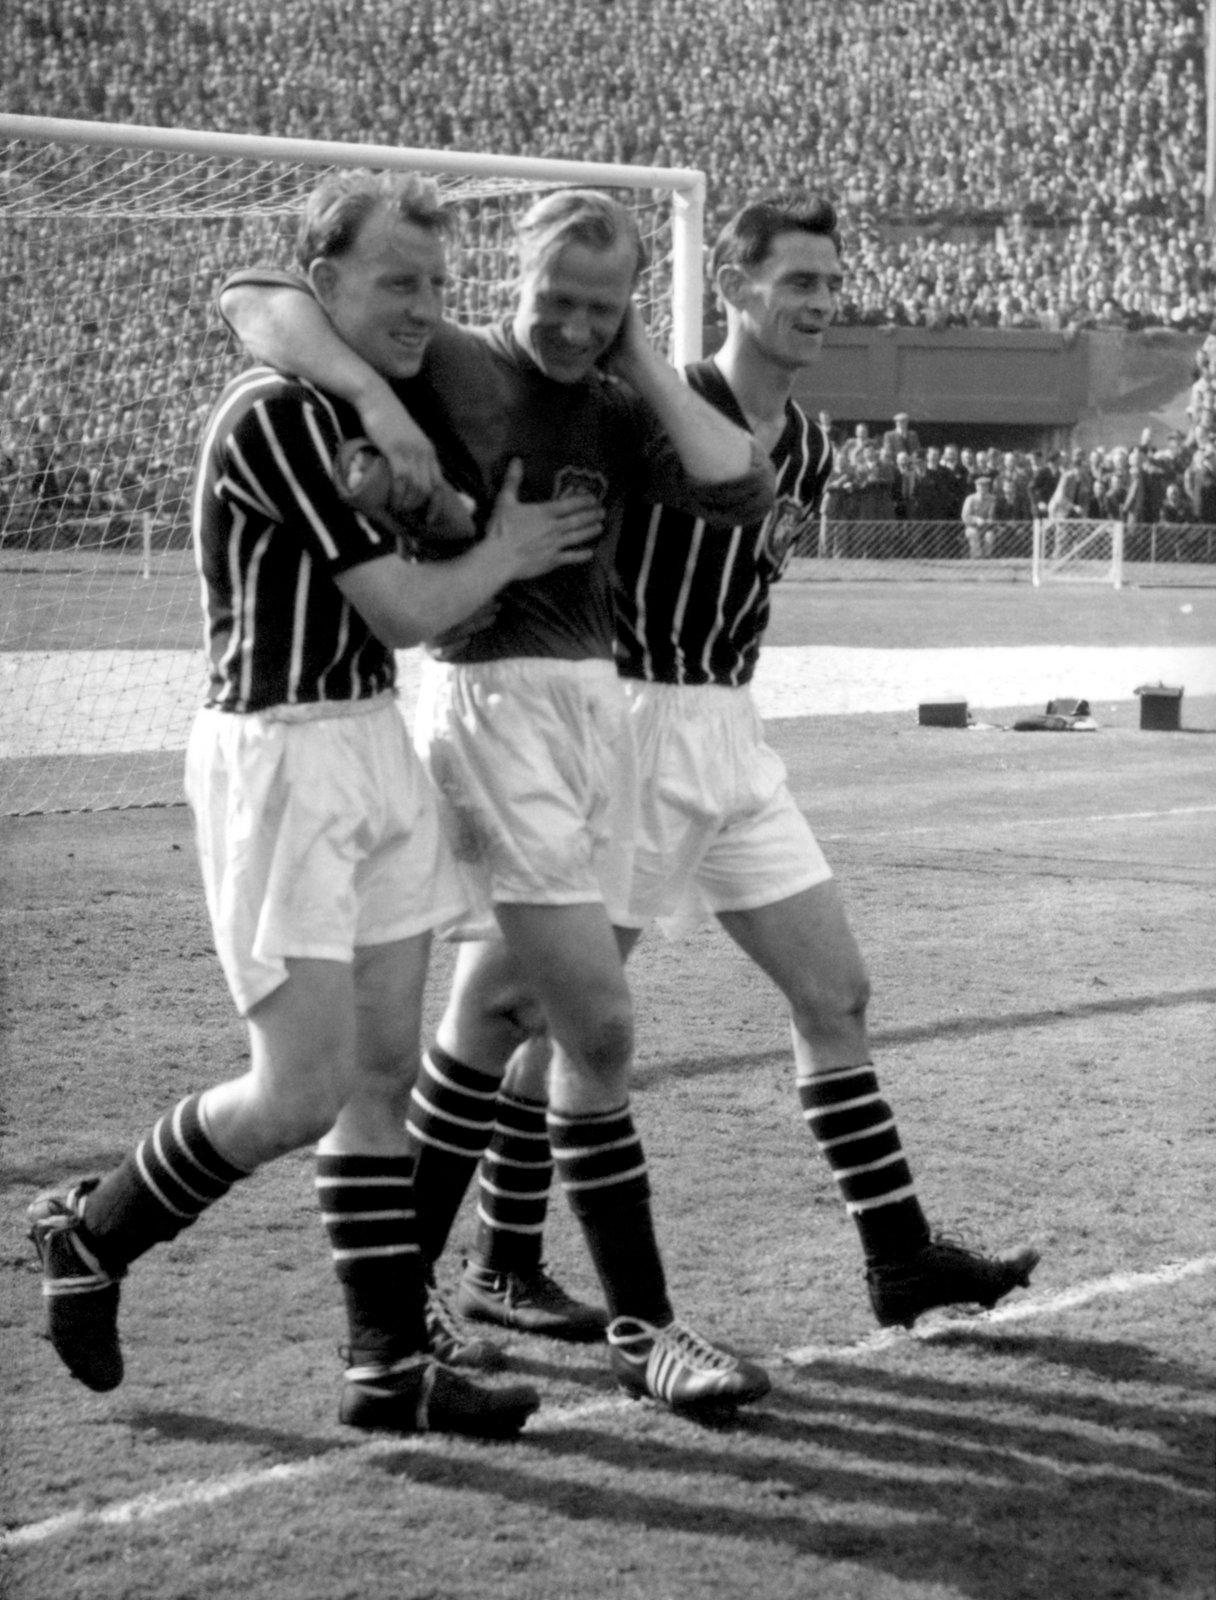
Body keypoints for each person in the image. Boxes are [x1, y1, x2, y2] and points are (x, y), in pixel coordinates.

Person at [25, 168, 614, 1440]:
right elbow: (400, 609)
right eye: (397, 280)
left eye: (438, 283)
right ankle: (93, 1231)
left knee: (382, 1075)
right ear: (325, 280)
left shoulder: (371, 404)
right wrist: (503, 551)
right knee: (298, 1088)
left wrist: (439, 484)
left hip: (371, 739)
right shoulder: (276, 412)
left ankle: (385, 1366)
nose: (424, 306)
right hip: (281, 753)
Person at [418, 196, 1041, 1341]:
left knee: (834, 992)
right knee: (538, 1010)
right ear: (736, 287)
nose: (821, 303)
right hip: (631, 717)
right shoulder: (654, 405)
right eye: (798, 281)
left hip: (733, 730)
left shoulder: (807, 441)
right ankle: (488, 1262)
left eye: (831, 284)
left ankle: (897, 1256)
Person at [221, 187, 778, 1416]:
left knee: (492, 1017)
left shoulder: (618, 400)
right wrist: (377, 404)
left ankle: (407, 1297)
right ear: (510, 281)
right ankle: (644, 1330)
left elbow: (739, 481)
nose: (573, 327)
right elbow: (255, 298)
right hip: (490, 708)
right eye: (554, 299)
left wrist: (638, 350)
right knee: (599, 1028)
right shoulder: (457, 364)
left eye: (600, 307)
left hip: (591, 708)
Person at [961, 472, 997, 558]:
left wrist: (989, 521)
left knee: (989, 535)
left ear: (988, 487)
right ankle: (976, 557)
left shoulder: (992, 499)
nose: (983, 488)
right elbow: (965, 516)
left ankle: (987, 557)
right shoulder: (970, 499)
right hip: (972, 526)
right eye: (980, 486)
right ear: (976, 487)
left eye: (985, 486)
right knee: (973, 533)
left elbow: (992, 515)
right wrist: (976, 520)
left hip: (987, 527)